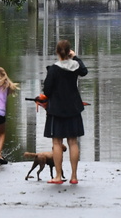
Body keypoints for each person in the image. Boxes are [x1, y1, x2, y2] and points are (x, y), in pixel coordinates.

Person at [42, 40, 88, 184]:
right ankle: (74, 177)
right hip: (73, 108)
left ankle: (57, 176)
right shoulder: (75, 67)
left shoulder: (54, 70)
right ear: (69, 52)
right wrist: (75, 57)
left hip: (56, 110)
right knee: (73, 142)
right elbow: (84, 71)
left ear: (57, 52)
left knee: (57, 142)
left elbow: (47, 90)